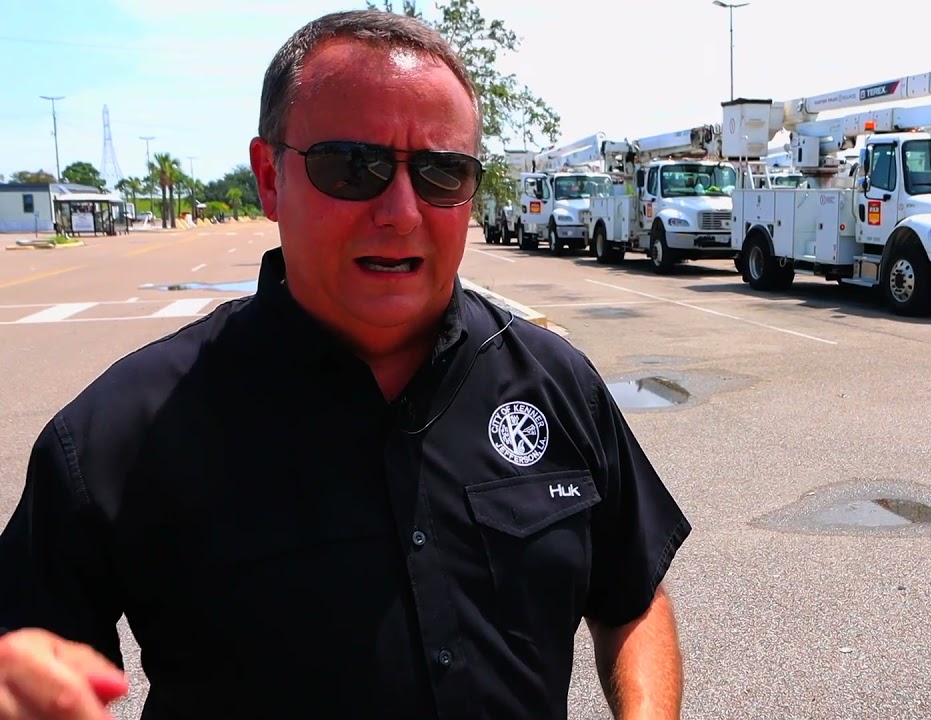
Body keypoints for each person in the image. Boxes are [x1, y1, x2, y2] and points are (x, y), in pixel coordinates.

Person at [0, 9, 692, 720]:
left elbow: (632, 597)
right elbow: (27, 668)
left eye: (440, 172)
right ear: (270, 179)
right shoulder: (121, 435)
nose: (399, 211)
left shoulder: (555, 383)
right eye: (351, 167)